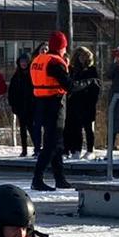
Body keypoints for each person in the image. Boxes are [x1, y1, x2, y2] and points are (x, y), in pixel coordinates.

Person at [29, 31, 75, 192]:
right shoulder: (55, 62)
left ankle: (59, 178)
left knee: (57, 143)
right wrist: (89, 82)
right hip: (55, 103)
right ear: (62, 47)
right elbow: (69, 85)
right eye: (64, 47)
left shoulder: (39, 59)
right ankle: (37, 178)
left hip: (41, 103)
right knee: (52, 144)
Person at [64, 46, 103, 159]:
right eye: (80, 55)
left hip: (88, 103)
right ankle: (76, 149)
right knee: (76, 128)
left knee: (88, 127)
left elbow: (96, 86)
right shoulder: (73, 70)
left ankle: (90, 150)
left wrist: (92, 100)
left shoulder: (91, 70)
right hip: (74, 102)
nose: (81, 58)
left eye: (84, 56)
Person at [8, 49, 35, 157]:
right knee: (22, 129)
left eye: (25, 61)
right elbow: (11, 92)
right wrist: (13, 105)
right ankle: (24, 150)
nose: (23, 63)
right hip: (20, 107)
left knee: (32, 128)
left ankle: (37, 147)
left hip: (31, 106)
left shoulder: (32, 74)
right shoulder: (16, 76)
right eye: (21, 61)